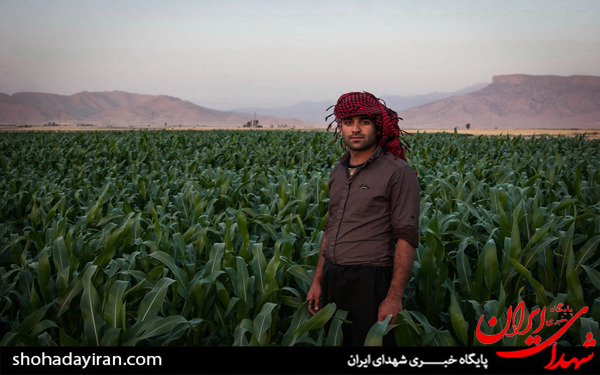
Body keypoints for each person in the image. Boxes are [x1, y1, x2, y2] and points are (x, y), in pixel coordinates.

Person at [306, 91, 420, 346]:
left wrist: (393, 297)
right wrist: (318, 280)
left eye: (364, 122)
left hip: (371, 282)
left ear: (377, 126)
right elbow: (331, 228)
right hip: (335, 279)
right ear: (341, 128)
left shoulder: (398, 172)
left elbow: (407, 237)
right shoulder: (338, 171)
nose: (355, 129)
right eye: (348, 123)